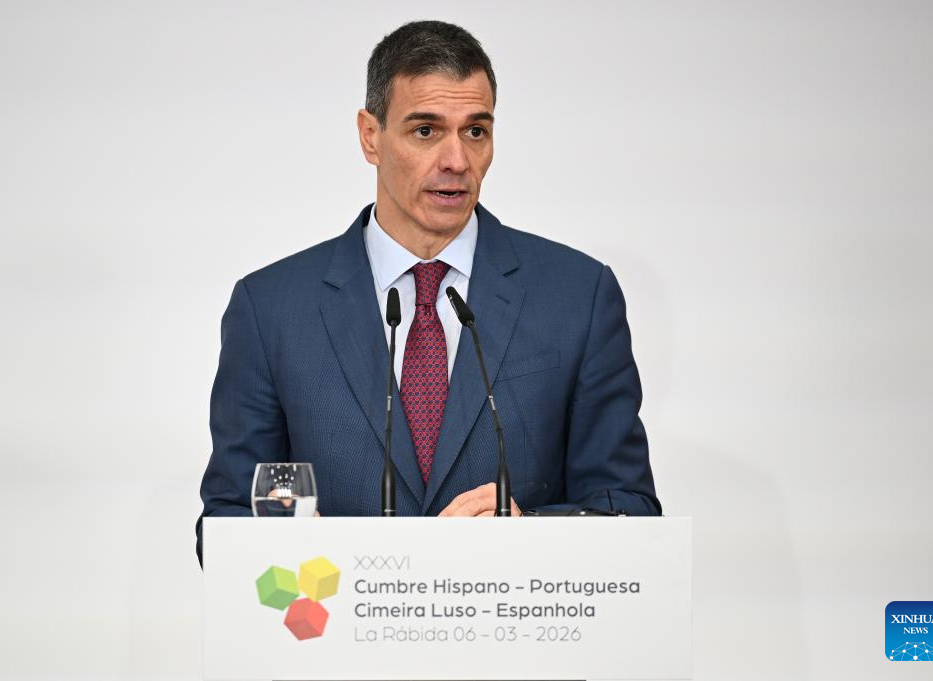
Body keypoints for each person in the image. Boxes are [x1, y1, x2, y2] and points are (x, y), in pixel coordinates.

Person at [196, 20, 660, 563]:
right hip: (331, 613)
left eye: (475, 131)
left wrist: (532, 532)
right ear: (370, 136)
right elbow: (226, 522)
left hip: (511, 613)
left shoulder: (578, 297)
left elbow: (631, 511)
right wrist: (291, 545)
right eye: (425, 131)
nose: (456, 161)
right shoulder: (270, 309)